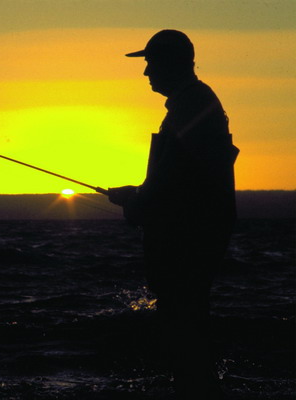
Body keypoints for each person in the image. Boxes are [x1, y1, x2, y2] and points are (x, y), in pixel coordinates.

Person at [108, 30, 239, 399]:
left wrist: (138, 202)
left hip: (190, 236)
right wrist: (137, 195)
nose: (146, 72)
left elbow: (175, 177)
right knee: (186, 317)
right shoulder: (192, 103)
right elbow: (179, 174)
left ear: (171, 63)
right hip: (191, 230)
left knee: (183, 319)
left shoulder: (192, 105)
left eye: (150, 63)